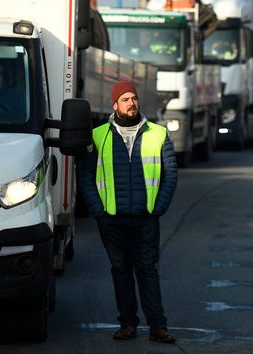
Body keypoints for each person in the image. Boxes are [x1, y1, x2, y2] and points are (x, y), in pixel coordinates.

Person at [78, 80, 178, 344]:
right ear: (115, 105)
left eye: (133, 98)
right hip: (111, 217)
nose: (131, 103)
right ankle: (127, 324)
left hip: (146, 216)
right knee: (120, 269)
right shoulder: (98, 135)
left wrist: (159, 207)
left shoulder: (158, 133)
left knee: (147, 269)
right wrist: (97, 210)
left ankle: (158, 326)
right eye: (125, 99)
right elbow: (85, 175)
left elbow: (170, 173)